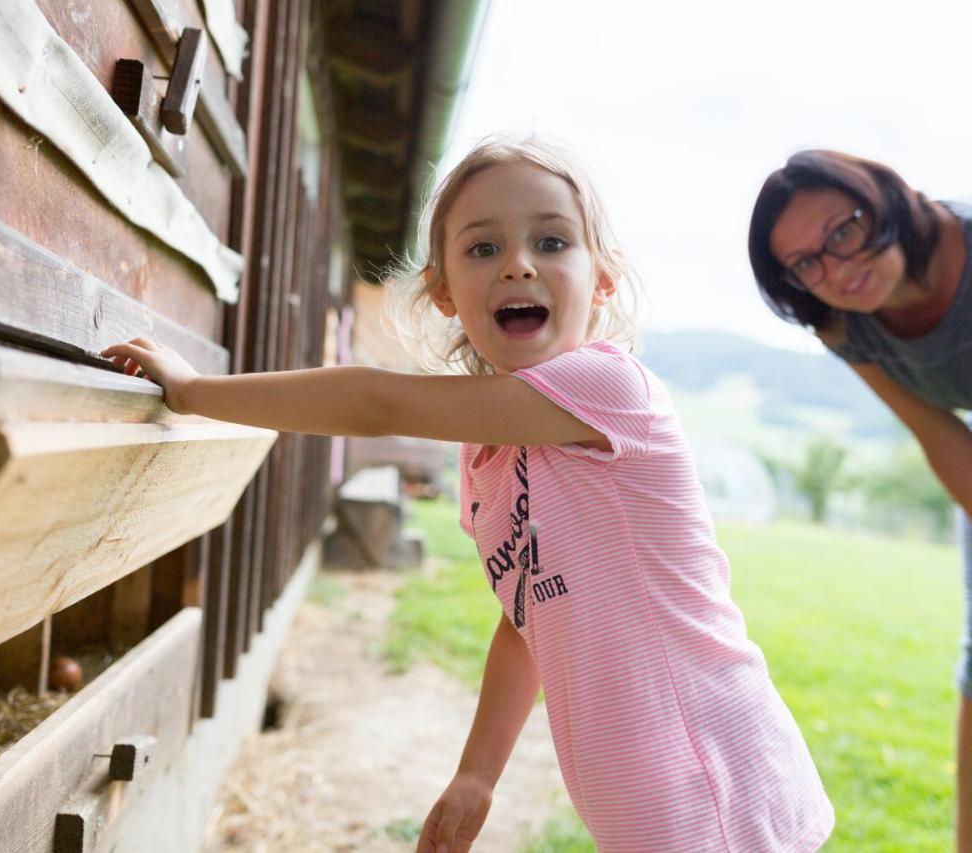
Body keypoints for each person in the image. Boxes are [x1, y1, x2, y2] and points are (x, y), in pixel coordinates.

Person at [104, 135, 834, 852]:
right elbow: (528, 622)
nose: (518, 265)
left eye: (551, 242)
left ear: (603, 278)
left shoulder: (611, 390)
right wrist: (477, 774)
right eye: (484, 248)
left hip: (714, 778)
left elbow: (377, 404)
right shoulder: (488, 458)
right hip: (646, 799)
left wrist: (195, 391)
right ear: (444, 291)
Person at [749, 149, 972, 848]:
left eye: (842, 231)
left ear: (879, 199)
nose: (837, 269)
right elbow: (936, 432)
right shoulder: (843, 321)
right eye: (806, 263)